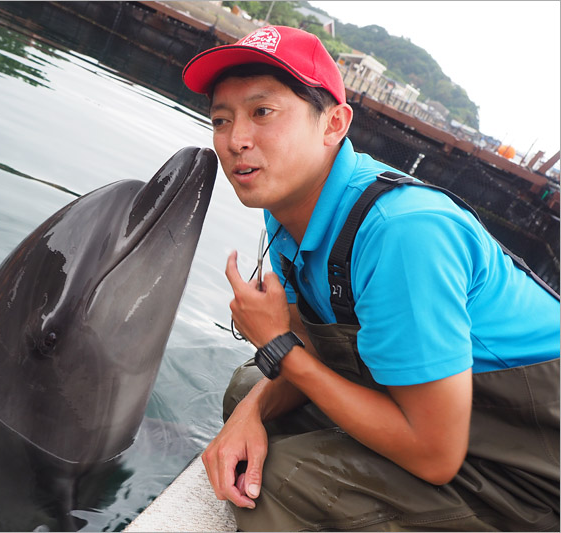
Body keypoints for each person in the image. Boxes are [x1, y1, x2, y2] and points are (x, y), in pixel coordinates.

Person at [182, 25, 560, 531]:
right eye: (221, 120)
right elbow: (311, 350)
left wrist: (275, 343)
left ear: (334, 123)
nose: (236, 141)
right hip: (443, 415)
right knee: (248, 390)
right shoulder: (287, 203)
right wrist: (248, 413)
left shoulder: (403, 233)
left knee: (286, 483)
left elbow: (434, 456)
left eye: (262, 112)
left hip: (532, 464)